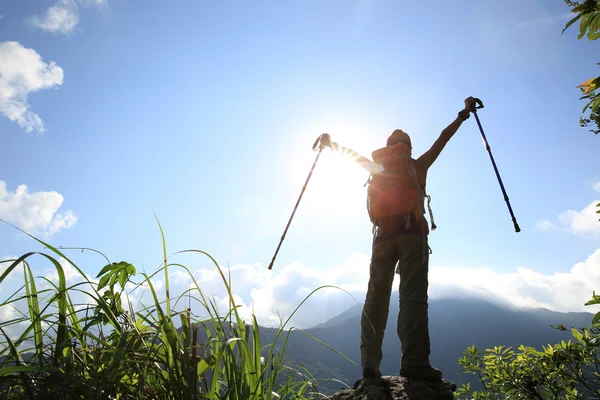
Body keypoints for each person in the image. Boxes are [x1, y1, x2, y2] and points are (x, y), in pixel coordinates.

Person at [346, 96, 481, 384]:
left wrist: (329, 143)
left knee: (375, 300)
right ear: (408, 147)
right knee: (412, 297)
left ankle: (370, 365)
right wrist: (463, 113)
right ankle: (415, 363)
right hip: (411, 235)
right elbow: (443, 139)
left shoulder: (374, 167)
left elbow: (349, 154)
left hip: (382, 237)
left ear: (386, 147)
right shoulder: (417, 165)